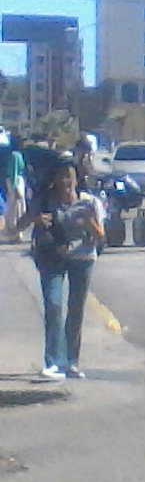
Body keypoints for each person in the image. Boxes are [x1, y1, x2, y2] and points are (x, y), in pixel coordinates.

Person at [15, 160, 105, 380]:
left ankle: (71, 362)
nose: (66, 181)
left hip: (82, 257)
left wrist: (89, 224)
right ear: (54, 180)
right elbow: (16, 228)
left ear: (76, 179)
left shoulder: (89, 202)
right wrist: (35, 219)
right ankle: (53, 361)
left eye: (70, 176)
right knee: (54, 306)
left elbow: (101, 236)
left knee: (76, 310)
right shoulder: (45, 201)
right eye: (61, 176)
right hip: (51, 258)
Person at [3, 136, 29, 242]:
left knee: (17, 208)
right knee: (15, 209)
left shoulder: (13, 155)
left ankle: (17, 233)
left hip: (15, 181)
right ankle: (14, 233)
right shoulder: (15, 155)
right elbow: (14, 172)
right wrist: (15, 188)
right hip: (16, 181)